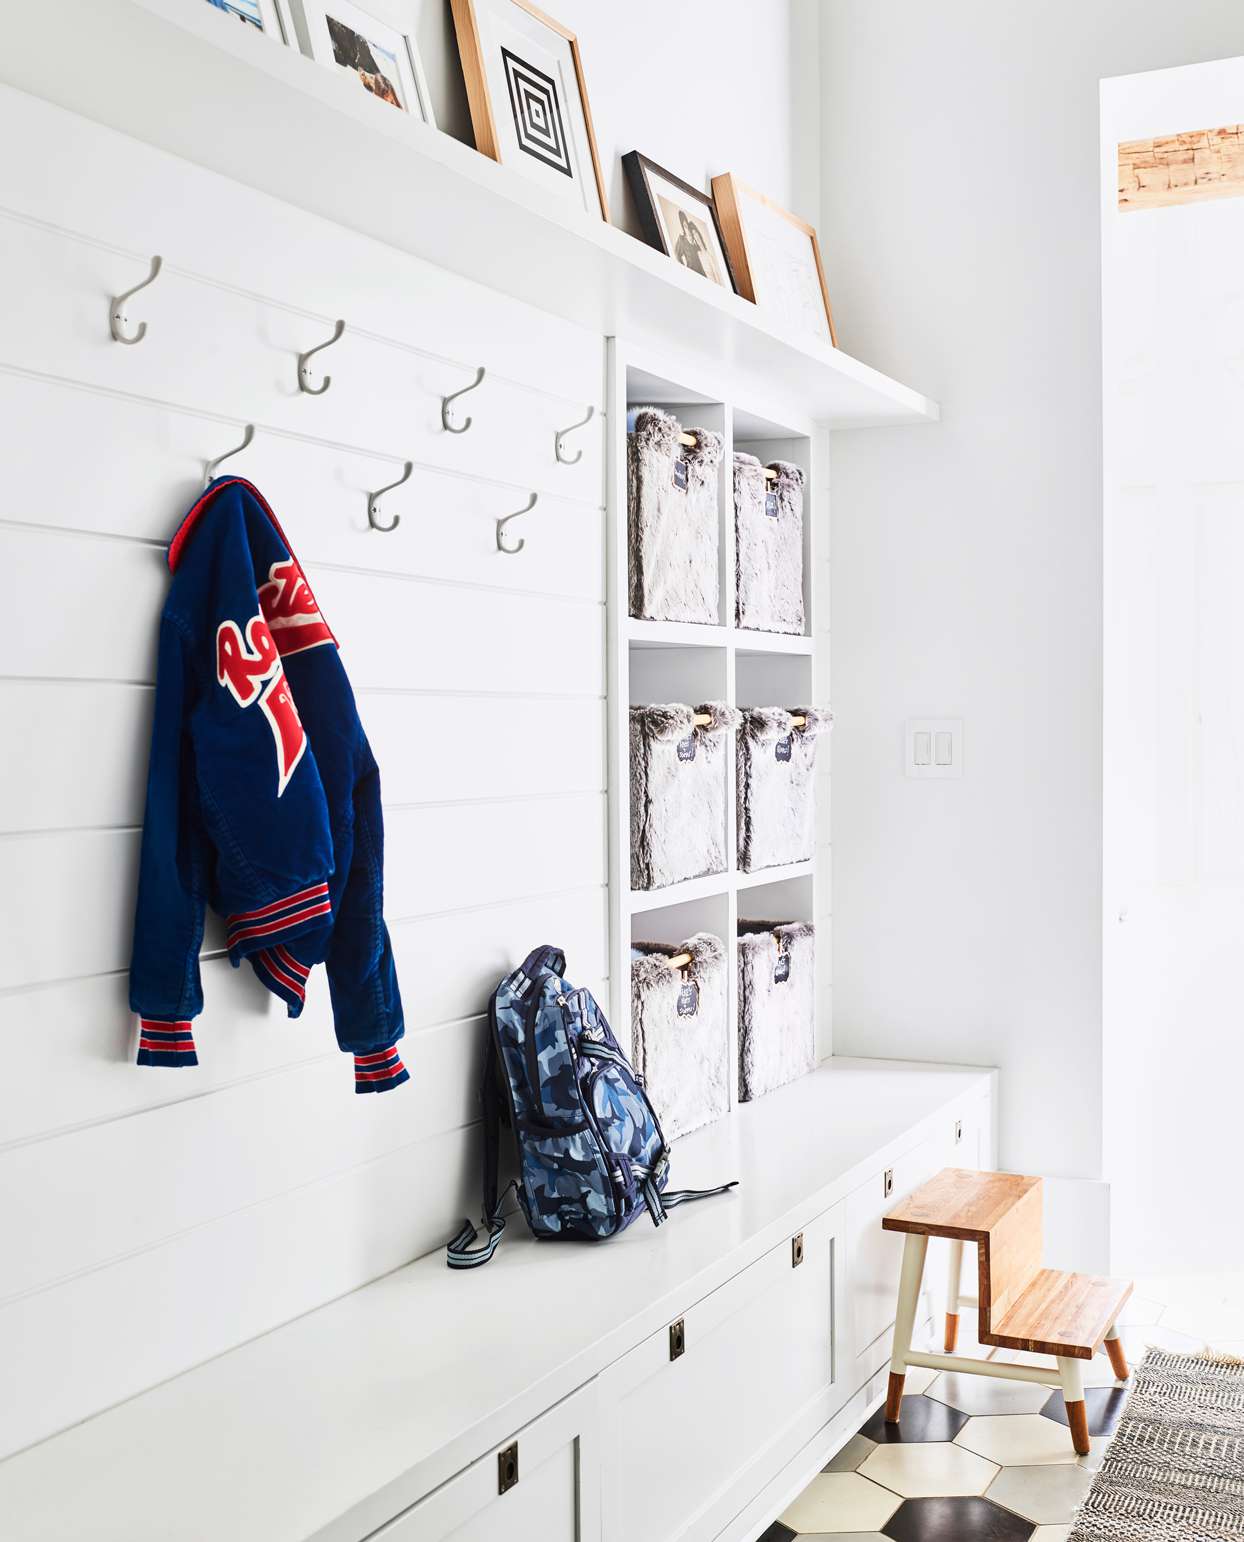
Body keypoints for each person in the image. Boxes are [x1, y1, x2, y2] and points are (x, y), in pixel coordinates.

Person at [673, 208, 712, 278]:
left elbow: (699, 238)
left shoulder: (692, 229)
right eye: (684, 225)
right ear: (681, 226)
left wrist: (702, 247)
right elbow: (676, 254)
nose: (686, 226)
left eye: (686, 223)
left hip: (701, 269)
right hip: (691, 271)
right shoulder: (681, 240)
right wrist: (683, 269)